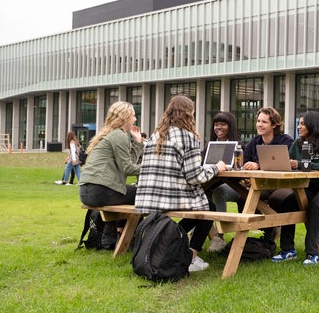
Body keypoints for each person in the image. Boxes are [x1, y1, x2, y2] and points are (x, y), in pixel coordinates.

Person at [135, 95, 227, 272]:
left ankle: (169, 241)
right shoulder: (188, 138)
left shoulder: (156, 135)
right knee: (209, 209)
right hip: (170, 196)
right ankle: (191, 256)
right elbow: (194, 177)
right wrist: (217, 167)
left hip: (148, 197)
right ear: (189, 114)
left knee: (203, 208)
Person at [270, 111, 319, 265]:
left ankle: (312, 254)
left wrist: (302, 165)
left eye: (302, 124)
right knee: (287, 203)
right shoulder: (296, 144)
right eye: (298, 124)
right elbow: (289, 163)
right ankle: (288, 250)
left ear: (313, 125)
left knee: (317, 204)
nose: (299, 127)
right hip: (308, 188)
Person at [79, 101, 143, 232]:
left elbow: (128, 163)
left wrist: (137, 143)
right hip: (100, 191)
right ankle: (128, 238)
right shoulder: (119, 135)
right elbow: (128, 168)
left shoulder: (111, 134)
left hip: (87, 191)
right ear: (125, 117)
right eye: (133, 116)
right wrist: (152, 170)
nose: (135, 119)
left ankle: (114, 235)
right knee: (144, 194)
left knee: (131, 192)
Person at [242, 107, 293, 241]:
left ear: (274, 124)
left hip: (283, 184)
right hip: (262, 184)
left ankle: (275, 229)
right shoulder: (255, 141)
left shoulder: (286, 141)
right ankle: (268, 229)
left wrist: (258, 165)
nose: (259, 125)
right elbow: (245, 162)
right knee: (243, 196)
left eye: (264, 122)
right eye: (258, 121)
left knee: (276, 199)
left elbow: (284, 162)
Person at [206, 111, 244, 252]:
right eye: (216, 124)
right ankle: (197, 228)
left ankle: (219, 237)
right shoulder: (209, 146)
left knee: (219, 191)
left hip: (235, 187)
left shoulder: (239, 146)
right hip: (210, 183)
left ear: (230, 127)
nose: (218, 127)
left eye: (223, 124)